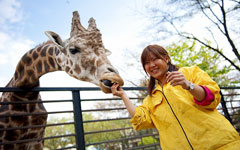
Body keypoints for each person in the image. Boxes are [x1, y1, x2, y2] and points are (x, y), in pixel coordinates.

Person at [111, 44, 240, 150]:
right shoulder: (150, 99)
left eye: (155, 59)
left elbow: (212, 98)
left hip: (220, 144)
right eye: (147, 62)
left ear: (166, 58)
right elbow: (141, 121)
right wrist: (123, 95)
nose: (152, 65)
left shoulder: (189, 73)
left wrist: (188, 85)